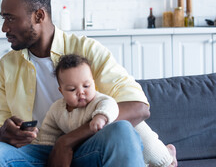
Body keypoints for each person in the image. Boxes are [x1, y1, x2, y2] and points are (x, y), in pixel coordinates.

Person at [0, 0, 174, 167]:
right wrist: (5, 133)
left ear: (39, 15)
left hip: (88, 146)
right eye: (4, 19)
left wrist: (67, 141)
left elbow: (138, 107)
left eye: (10, 19)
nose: (4, 28)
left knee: (122, 131)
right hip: (34, 152)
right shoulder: (6, 65)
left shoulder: (88, 50)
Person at [36, 54, 176, 167]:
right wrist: (44, 148)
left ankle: (169, 158)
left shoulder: (97, 100)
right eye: (72, 89)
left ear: (94, 84)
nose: (81, 92)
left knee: (154, 151)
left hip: (135, 130)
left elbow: (110, 104)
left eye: (86, 85)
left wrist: (101, 117)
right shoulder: (56, 110)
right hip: (106, 146)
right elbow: (48, 132)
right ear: (61, 91)